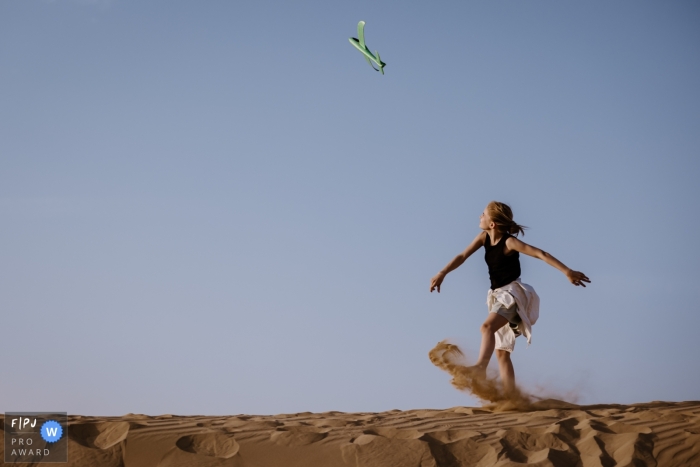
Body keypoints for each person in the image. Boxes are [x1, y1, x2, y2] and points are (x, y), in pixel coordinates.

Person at [429, 201, 590, 395]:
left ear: (492, 224)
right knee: (501, 353)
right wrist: (442, 273)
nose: (479, 217)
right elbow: (462, 255)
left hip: (512, 295)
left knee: (486, 327)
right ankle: (511, 398)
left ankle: (480, 367)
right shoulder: (484, 237)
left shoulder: (509, 242)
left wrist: (568, 271)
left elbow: (540, 253)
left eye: (483, 214)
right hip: (497, 297)